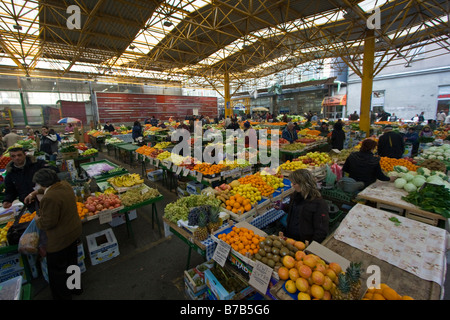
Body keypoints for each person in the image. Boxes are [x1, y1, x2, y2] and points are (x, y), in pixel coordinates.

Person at [25, 168, 82, 300]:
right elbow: (46, 190)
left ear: (43, 184)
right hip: (74, 232)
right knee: (72, 264)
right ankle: (76, 288)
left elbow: (49, 223)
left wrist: (37, 220)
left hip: (60, 240)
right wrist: (35, 193)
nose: (37, 187)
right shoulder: (65, 185)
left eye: (38, 185)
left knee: (58, 272)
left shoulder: (50, 198)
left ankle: (63, 296)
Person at [281, 169, 329, 243]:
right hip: (290, 237)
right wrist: (282, 206)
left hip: (304, 241)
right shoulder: (295, 195)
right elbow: (294, 211)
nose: (292, 186)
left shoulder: (319, 204)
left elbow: (321, 231)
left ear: (303, 185)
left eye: (294, 184)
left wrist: (310, 247)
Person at [2, 147, 54, 211]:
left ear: (25, 155)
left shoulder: (38, 164)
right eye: (13, 156)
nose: (17, 158)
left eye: (19, 155)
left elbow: (52, 177)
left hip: (46, 199)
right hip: (29, 203)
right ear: (11, 158)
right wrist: (7, 200)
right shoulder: (10, 173)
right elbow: (10, 190)